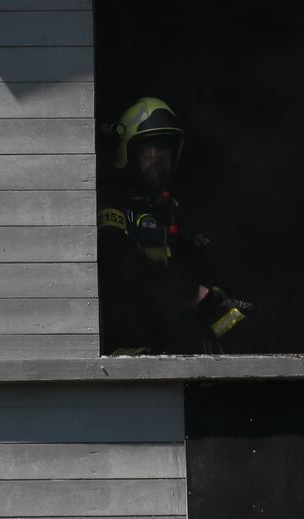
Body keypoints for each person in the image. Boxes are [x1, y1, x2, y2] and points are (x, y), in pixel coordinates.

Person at [97, 97, 257, 355]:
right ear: (128, 153)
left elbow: (200, 278)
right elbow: (125, 268)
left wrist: (227, 314)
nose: (158, 165)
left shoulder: (175, 211)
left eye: (164, 156)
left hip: (178, 349)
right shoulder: (115, 206)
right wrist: (193, 294)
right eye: (149, 155)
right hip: (131, 347)